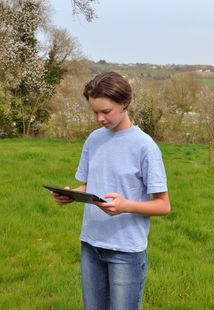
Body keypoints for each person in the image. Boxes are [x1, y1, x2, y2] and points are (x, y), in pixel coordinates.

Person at [52, 71, 171, 310]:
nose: (99, 119)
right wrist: (72, 194)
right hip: (90, 245)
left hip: (126, 251)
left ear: (124, 103)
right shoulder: (94, 140)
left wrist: (126, 206)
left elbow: (163, 205)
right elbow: (90, 184)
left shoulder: (145, 147)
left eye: (106, 112)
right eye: (95, 112)